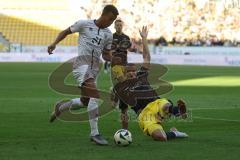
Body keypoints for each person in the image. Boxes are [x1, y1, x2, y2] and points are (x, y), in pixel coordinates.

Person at [47, 4, 119, 145]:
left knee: (85, 101)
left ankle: (60, 108)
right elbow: (65, 32)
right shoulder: (84, 24)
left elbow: (106, 54)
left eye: (113, 20)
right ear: (104, 15)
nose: (111, 23)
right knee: (94, 95)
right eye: (110, 19)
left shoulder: (108, 34)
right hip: (81, 65)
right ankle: (95, 134)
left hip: (94, 68)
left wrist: (114, 59)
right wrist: (54, 43)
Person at [112, 26, 189, 141]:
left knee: (165, 105)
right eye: (129, 72)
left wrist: (144, 39)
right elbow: (124, 113)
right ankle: (175, 132)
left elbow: (147, 58)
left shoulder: (141, 75)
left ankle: (178, 111)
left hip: (157, 103)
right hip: (144, 115)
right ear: (125, 73)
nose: (132, 73)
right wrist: (125, 130)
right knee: (160, 137)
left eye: (134, 71)